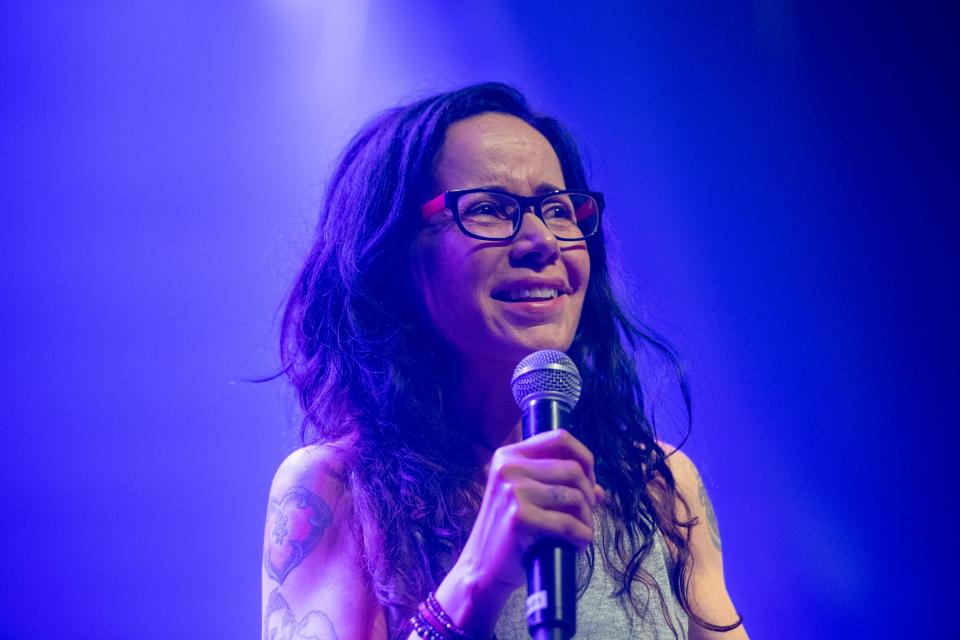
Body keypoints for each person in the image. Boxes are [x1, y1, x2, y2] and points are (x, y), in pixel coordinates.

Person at [262, 82, 747, 640]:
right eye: (490, 210)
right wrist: (477, 579)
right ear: (390, 257)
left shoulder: (659, 484)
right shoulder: (340, 487)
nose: (542, 241)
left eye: (559, 209)